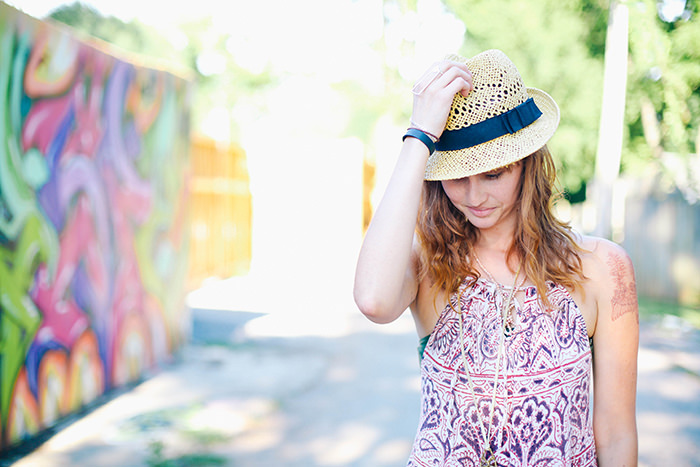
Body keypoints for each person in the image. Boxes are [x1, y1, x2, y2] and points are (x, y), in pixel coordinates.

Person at [353, 49, 638, 466]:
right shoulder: (428, 263)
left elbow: (615, 435)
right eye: (455, 176)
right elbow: (373, 300)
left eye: (492, 173)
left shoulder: (602, 267)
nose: (474, 197)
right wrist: (419, 136)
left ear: (527, 164)